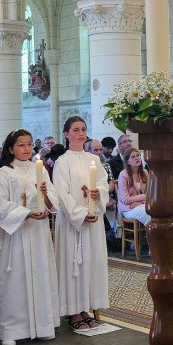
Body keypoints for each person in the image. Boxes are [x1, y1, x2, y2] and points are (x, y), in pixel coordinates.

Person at [0, 129, 60, 345]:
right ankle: (12, 330)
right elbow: (1, 208)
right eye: (21, 144)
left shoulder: (39, 170)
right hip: (16, 236)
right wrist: (27, 213)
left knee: (40, 274)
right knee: (15, 279)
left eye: (29, 144)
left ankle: (43, 325)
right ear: (11, 148)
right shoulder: (3, 174)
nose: (27, 148)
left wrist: (45, 196)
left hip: (38, 233)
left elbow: (53, 202)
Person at [51, 116, 108, 330]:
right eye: (76, 130)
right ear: (66, 134)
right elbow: (61, 193)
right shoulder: (62, 161)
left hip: (93, 221)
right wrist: (80, 214)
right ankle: (73, 311)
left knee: (91, 262)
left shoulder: (94, 160)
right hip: (73, 222)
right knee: (74, 264)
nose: (81, 133)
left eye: (83, 129)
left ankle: (86, 308)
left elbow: (103, 184)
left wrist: (98, 194)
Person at [117, 148, 150, 225]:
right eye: (133, 157)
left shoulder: (145, 172)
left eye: (138, 155)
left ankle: (156, 231)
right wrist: (143, 196)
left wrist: (140, 202)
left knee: (158, 210)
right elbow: (125, 199)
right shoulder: (123, 175)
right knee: (148, 212)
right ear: (127, 162)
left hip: (143, 204)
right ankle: (152, 232)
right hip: (128, 208)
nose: (137, 158)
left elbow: (150, 194)